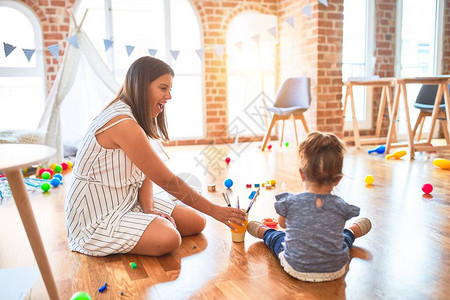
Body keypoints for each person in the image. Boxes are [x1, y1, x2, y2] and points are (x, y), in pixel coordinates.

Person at [65, 56, 246, 257]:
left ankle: (142, 223)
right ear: (141, 86)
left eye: (170, 89)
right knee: (170, 238)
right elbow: (166, 180)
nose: (169, 96)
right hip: (95, 218)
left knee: (197, 222)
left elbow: (146, 172)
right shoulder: (123, 123)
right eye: (163, 88)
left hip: (126, 201)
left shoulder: (135, 117)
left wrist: (148, 208)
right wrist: (215, 210)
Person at [247, 131, 372, 282]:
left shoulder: (290, 201)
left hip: (296, 267)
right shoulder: (341, 205)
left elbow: (282, 224)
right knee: (342, 239)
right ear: (338, 179)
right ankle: (353, 231)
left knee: (278, 237)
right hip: (335, 268)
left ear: (301, 174)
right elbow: (333, 228)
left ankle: (264, 232)